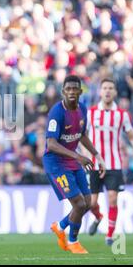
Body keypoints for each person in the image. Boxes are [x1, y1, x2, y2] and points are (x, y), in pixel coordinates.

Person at [44, 75, 106, 254]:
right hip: (56, 163)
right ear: (63, 91)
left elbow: (82, 135)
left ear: (80, 91)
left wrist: (96, 154)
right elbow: (51, 144)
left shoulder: (83, 110)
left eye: (74, 89)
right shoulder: (57, 112)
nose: (71, 92)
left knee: (88, 203)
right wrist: (78, 157)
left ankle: (61, 226)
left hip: (72, 160)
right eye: (68, 89)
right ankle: (73, 241)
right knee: (79, 204)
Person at [87, 79, 133, 245]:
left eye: (110, 88)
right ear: (100, 91)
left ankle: (110, 234)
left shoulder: (122, 114)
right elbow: (82, 137)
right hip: (94, 164)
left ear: (115, 92)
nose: (107, 91)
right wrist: (85, 156)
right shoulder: (90, 113)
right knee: (91, 203)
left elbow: (132, 135)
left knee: (112, 199)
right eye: (104, 88)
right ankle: (98, 217)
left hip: (114, 163)